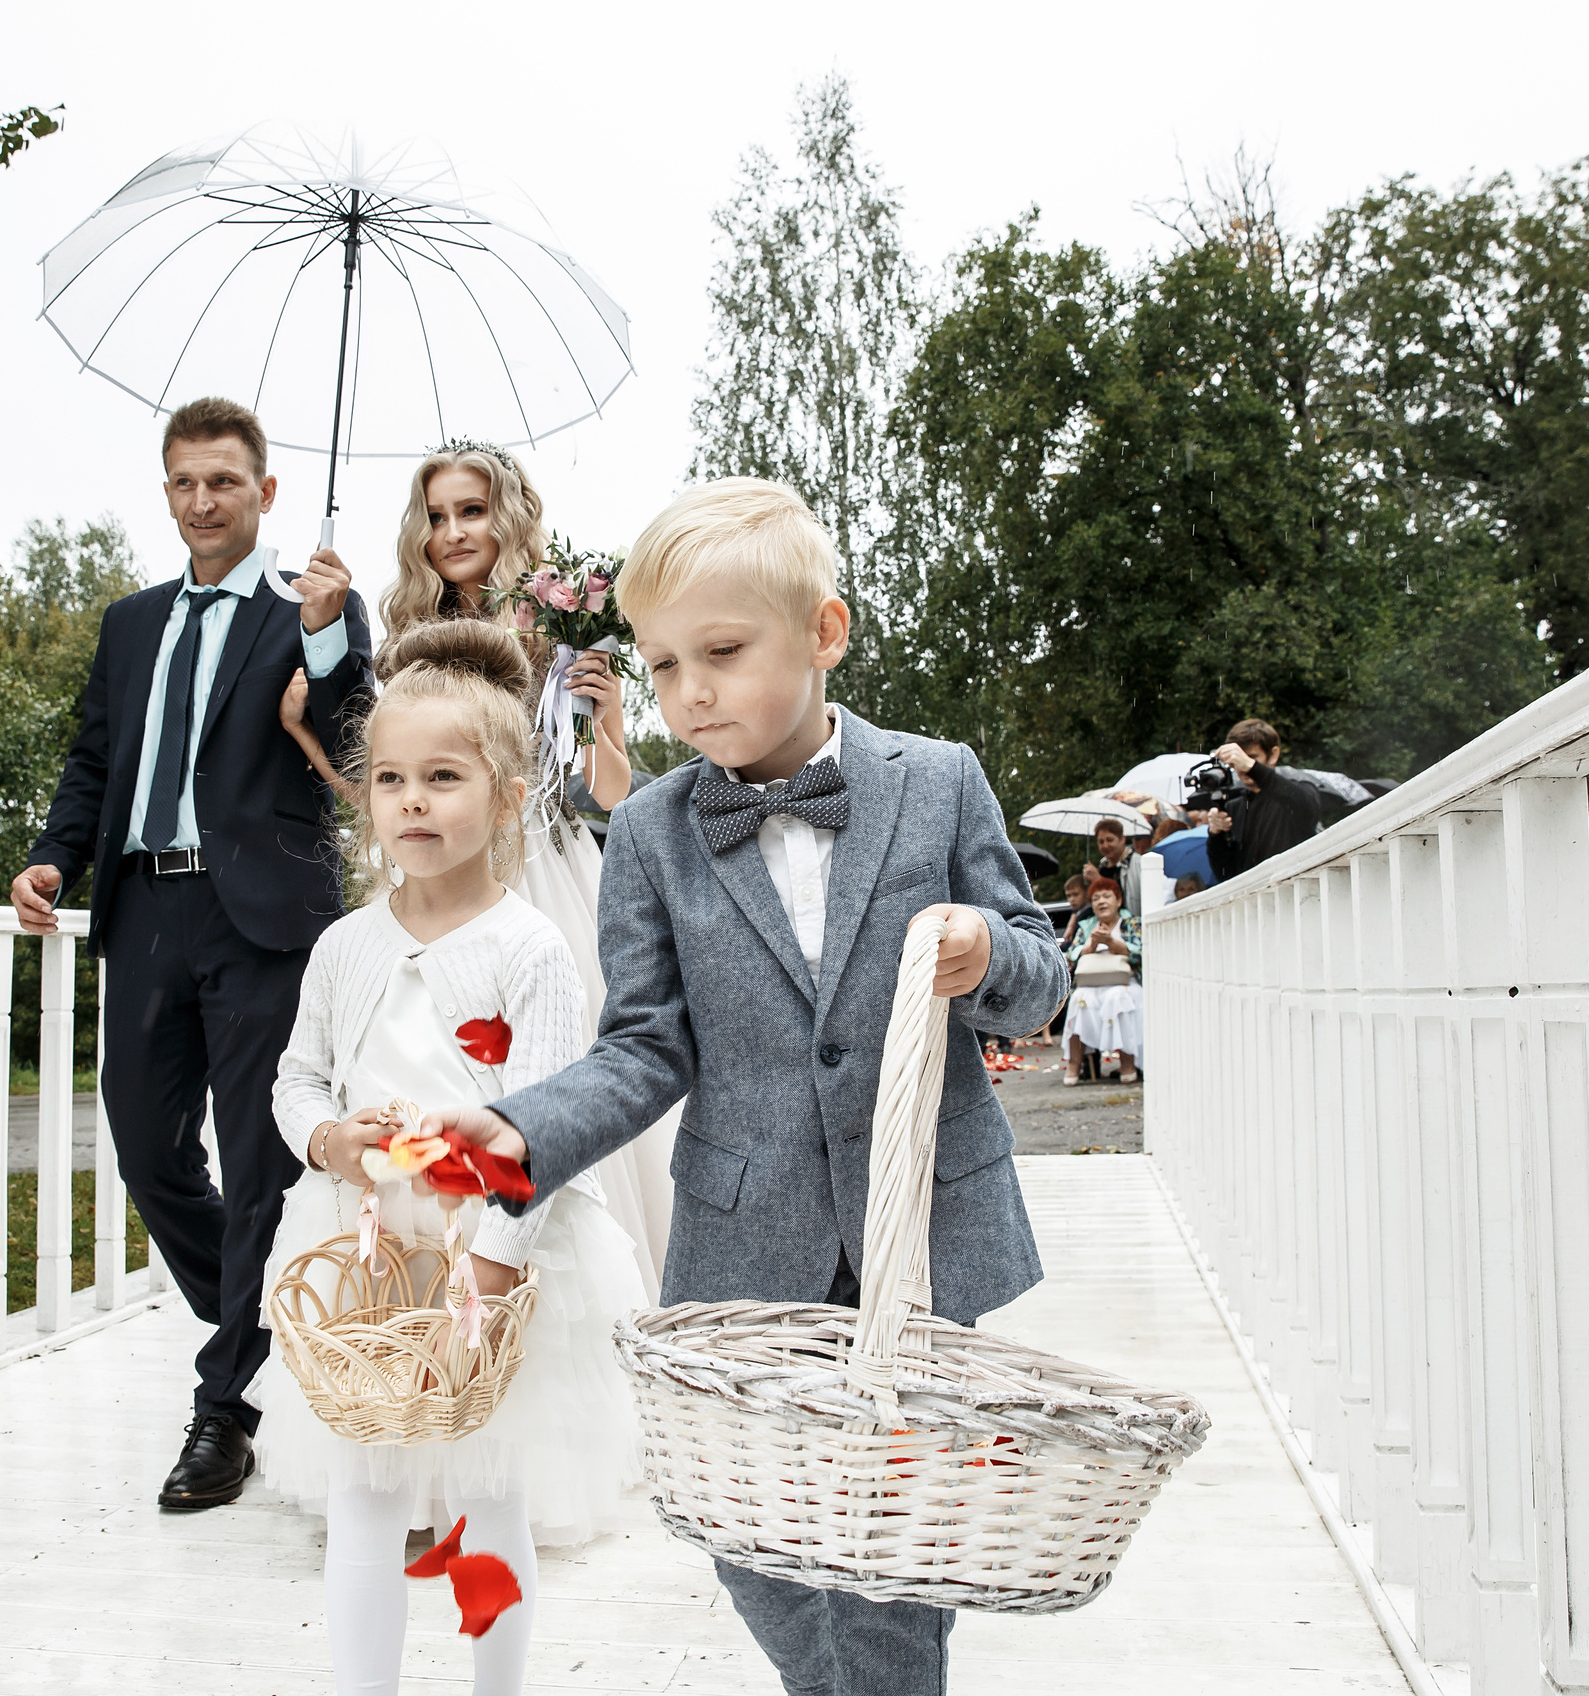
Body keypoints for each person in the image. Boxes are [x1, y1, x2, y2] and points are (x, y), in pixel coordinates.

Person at [391, 478, 1070, 1696]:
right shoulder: (649, 831)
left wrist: (985, 950)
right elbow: (645, 1048)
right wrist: (516, 1129)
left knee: (885, 1550)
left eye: (721, 653)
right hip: (741, 1238)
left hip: (917, 1225)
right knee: (745, 1534)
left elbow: (1040, 981)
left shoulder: (938, 778)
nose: (689, 693)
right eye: (660, 666)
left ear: (824, 633)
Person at [258, 619, 646, 1696]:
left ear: (510, 798)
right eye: (389, 779)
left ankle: (493, 1687)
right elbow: (296, 1077)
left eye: (442, 776)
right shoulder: (346, 948)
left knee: (487, 1490)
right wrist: (327, 1138)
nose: (412, 801)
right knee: (366, 1494)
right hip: (368, 1247)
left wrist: (493, 1261)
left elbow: (552, 1123)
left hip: (495, 1254)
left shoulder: (530, 951)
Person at [11, 396, 375, 1512]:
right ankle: (264, 1326)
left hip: (261, 918)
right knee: (148, 1152)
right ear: (167, 493)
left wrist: (326, 630)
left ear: (264, 492)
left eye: (225, 481)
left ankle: (227, 1407)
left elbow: (358, 726)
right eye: (184, 483)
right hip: (143, 911)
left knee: (261, 1162)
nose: (203, 500)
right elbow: (95, 758)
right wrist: (50, 860)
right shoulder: (130, 622)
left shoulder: (311, 608)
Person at [279, 439, 673, 1291]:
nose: (453, 530)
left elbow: (606, 793)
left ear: (509, 517)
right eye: (437, 515)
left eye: (471, 510)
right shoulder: (410, 638)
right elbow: (393, 788)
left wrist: (606, 716)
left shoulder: (558, 625)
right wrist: (311, 735)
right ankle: (423, 1260)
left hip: (541, 867)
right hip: (438, 872)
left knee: (554, 1071)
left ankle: (558, 1276)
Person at [1203, 718, 1322, 880]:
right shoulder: (1235, 806)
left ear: (1273, 755)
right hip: (1255, 900)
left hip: (1296, 895)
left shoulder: (1298, 789)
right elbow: (1226, 874)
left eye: (1252, 757)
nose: (1242, 767)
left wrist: (1252, 768)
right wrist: (1216, 835)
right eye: (1238, 759)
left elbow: (1307, 807)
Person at [1063, 879, 1142, 1085]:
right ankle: (1074, 1064)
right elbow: (1071, 954)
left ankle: (1127, 1063)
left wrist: (1113, 943)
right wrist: (1090, 946)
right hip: (1091, 984)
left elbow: (1141, 952)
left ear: (1119, 900)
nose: (1101, 902)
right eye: (1096, 898)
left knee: (1118, 998)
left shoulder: (1131, 923)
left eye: (1107, 896)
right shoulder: (1086, 926)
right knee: (1079, 998)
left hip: (1123, 983)